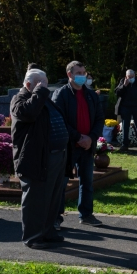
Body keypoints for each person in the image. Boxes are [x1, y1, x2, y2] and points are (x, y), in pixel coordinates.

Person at [11, 69, 70, 249]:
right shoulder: (19, 100)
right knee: (35, 199)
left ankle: (48, 232)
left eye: (45, 84)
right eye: (41, 84)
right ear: (29, 85)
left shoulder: (42, 99)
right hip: (36, 159)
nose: (46, 87)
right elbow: (28, 113)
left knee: (52, 198)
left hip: (56, 156)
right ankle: (33, 237)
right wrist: (40, 92)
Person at [52, 61, 105, 227]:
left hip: (87, 147)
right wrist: (78, 138)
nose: (83, 75)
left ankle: (86, 215)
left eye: (84, 72)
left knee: (87, 182)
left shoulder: (91, 95)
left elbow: (99, 119)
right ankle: (55, 218)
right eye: (78, 72)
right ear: (69, 74)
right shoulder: (61, 95)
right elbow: (59, 121)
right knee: (61, 183)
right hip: (68, 147)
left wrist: (90, 138)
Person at [115, 69, 137, 152]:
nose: (131, 78)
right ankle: (124, 145)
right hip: (125, 107)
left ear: (135, 76)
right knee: (125, 126)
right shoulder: (123, 81)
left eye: (132, 77)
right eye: (129, 77)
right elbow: (117, 92)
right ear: (126, 76)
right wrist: (124, 85)